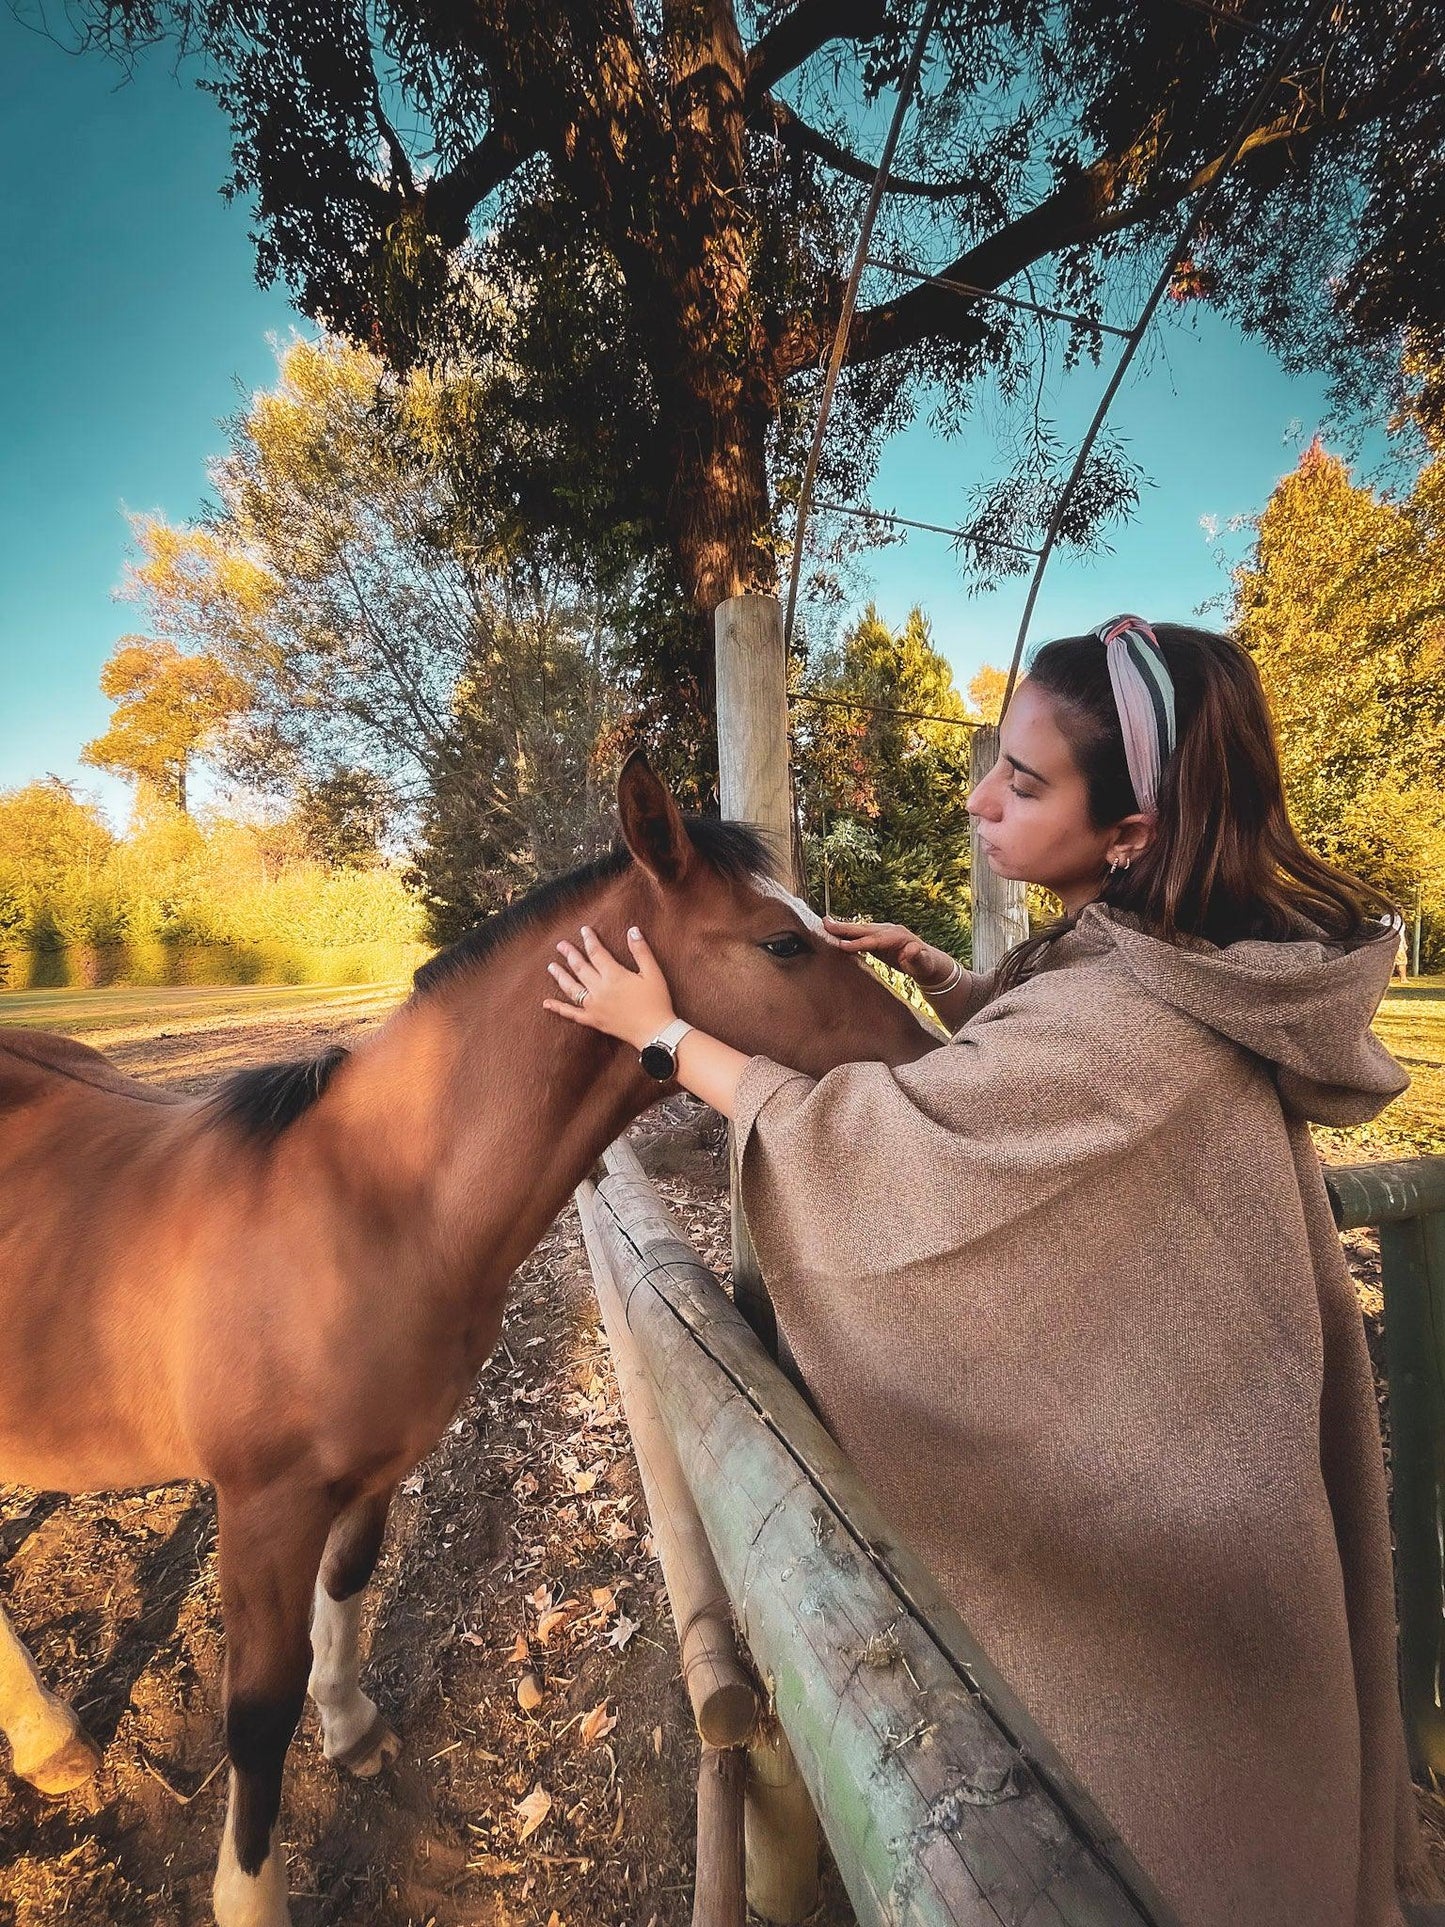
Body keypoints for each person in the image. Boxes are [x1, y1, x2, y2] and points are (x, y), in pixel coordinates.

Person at [543, 617, 1425, 1926]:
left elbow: (898, 1153)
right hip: (1230, 1512)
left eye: (1023, 780)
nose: (979, 798)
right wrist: (947, 979)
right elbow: (1043, 1060)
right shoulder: (1162, 969)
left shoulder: (1128, 1018)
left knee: (1187, 1860)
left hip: (1192, 1590)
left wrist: (666, 1039)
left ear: (1129, 834)